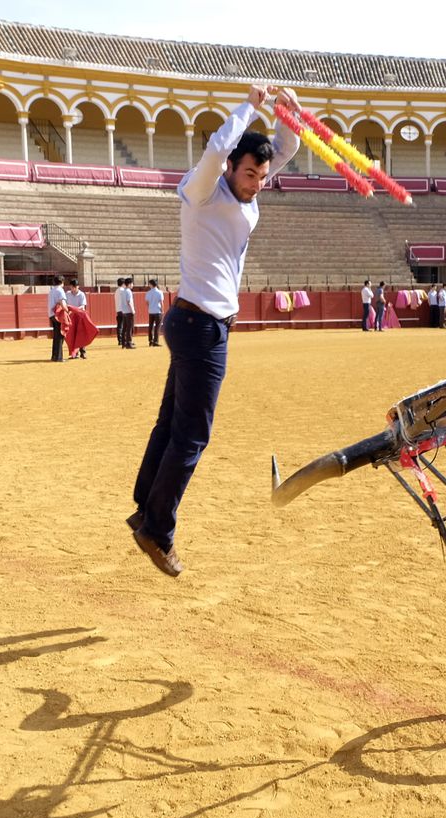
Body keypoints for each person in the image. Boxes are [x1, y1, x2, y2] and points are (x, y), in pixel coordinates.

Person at [130, 83, 300, 578]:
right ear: (231, 166)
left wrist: (286, 112)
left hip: (196, 322)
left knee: (171, 424)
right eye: (250, 173)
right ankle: (157, 530)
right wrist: (250, 104)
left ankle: (146, 505)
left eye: (262, 176)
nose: (257, 183)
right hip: (201, 325)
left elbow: (284, 149)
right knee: (192, 435)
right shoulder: (203, 189)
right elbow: (216, 149)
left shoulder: (248, 187)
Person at [47, 278, 67, 362]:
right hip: (58, 315)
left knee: (56, 336)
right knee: (60, 336)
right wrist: (66, 310)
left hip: (51, 315)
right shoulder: (60, 290)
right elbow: (62, 302)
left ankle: (54, 356)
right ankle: (59, 357)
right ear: (62, 282)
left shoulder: (51, 291)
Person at [145, 279, 164, 347]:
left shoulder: (148, 293)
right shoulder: (159, 292)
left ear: (151, 284)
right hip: (157, 311)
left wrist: (150, 307)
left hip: (151, 311)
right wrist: (162, 310)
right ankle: (155, 341)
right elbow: (161, 302)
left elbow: (147, 302)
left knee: (150, 326)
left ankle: (150, 341)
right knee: (157, 327)